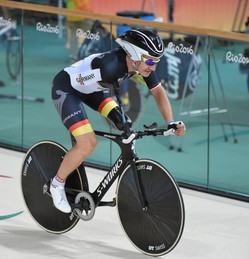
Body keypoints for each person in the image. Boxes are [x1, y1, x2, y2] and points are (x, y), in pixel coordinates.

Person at [50, 29, 186, 213]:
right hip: (67, 90)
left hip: (94, 89)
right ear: (135, 55)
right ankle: (57, 185)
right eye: (150, 61)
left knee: (125, 125)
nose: (153, 67)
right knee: (88, 143)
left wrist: (171, 121)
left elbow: (158, 92)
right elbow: (89, 85)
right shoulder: (110, 67)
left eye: (156, 61)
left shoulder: (141, 64)